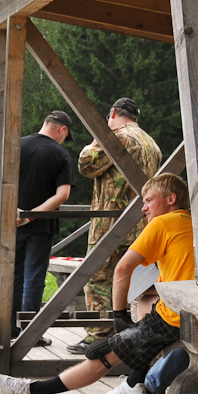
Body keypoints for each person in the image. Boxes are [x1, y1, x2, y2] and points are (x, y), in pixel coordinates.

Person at [0, 174, 193, 394]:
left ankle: (31, 391)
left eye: (149, 200)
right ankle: (134, 384)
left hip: (176, 317)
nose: (143, 207)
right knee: (141, 331)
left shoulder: (163, 223)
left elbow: (122, 269)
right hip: (195, 314)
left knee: (101, 354)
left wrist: (119, 315)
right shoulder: (192, 221)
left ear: (171, 199)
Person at [69, 98, 162, 355]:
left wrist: (96, 139)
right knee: (131, 278)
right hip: (140, 223)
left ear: (112, 113)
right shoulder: (150, 142)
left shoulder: (117, 137)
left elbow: (86, 165)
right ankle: (127, 335)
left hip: (110, 222)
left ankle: (98, 337)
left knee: (98, 277)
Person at [12, 111, 77, 339]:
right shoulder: (60, 154)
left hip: (11, 224)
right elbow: (62, 195)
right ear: (62, 130)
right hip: (41, 226)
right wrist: (32, 216)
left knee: (13, 276)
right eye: (64, 136)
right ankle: (30, 333)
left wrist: (14, 214)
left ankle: (9, 328)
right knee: (34, 277)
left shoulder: (16, 145)